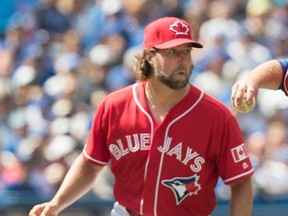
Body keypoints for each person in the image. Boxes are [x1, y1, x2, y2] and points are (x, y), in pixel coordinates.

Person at [29, 17, 254, 216]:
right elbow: (91, 163)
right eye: (172, 52)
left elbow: (241, 181)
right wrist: (57, 203)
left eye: (187, 50)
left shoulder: (216, 116)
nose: (183, 60)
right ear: (149, 56)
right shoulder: (114, 106)